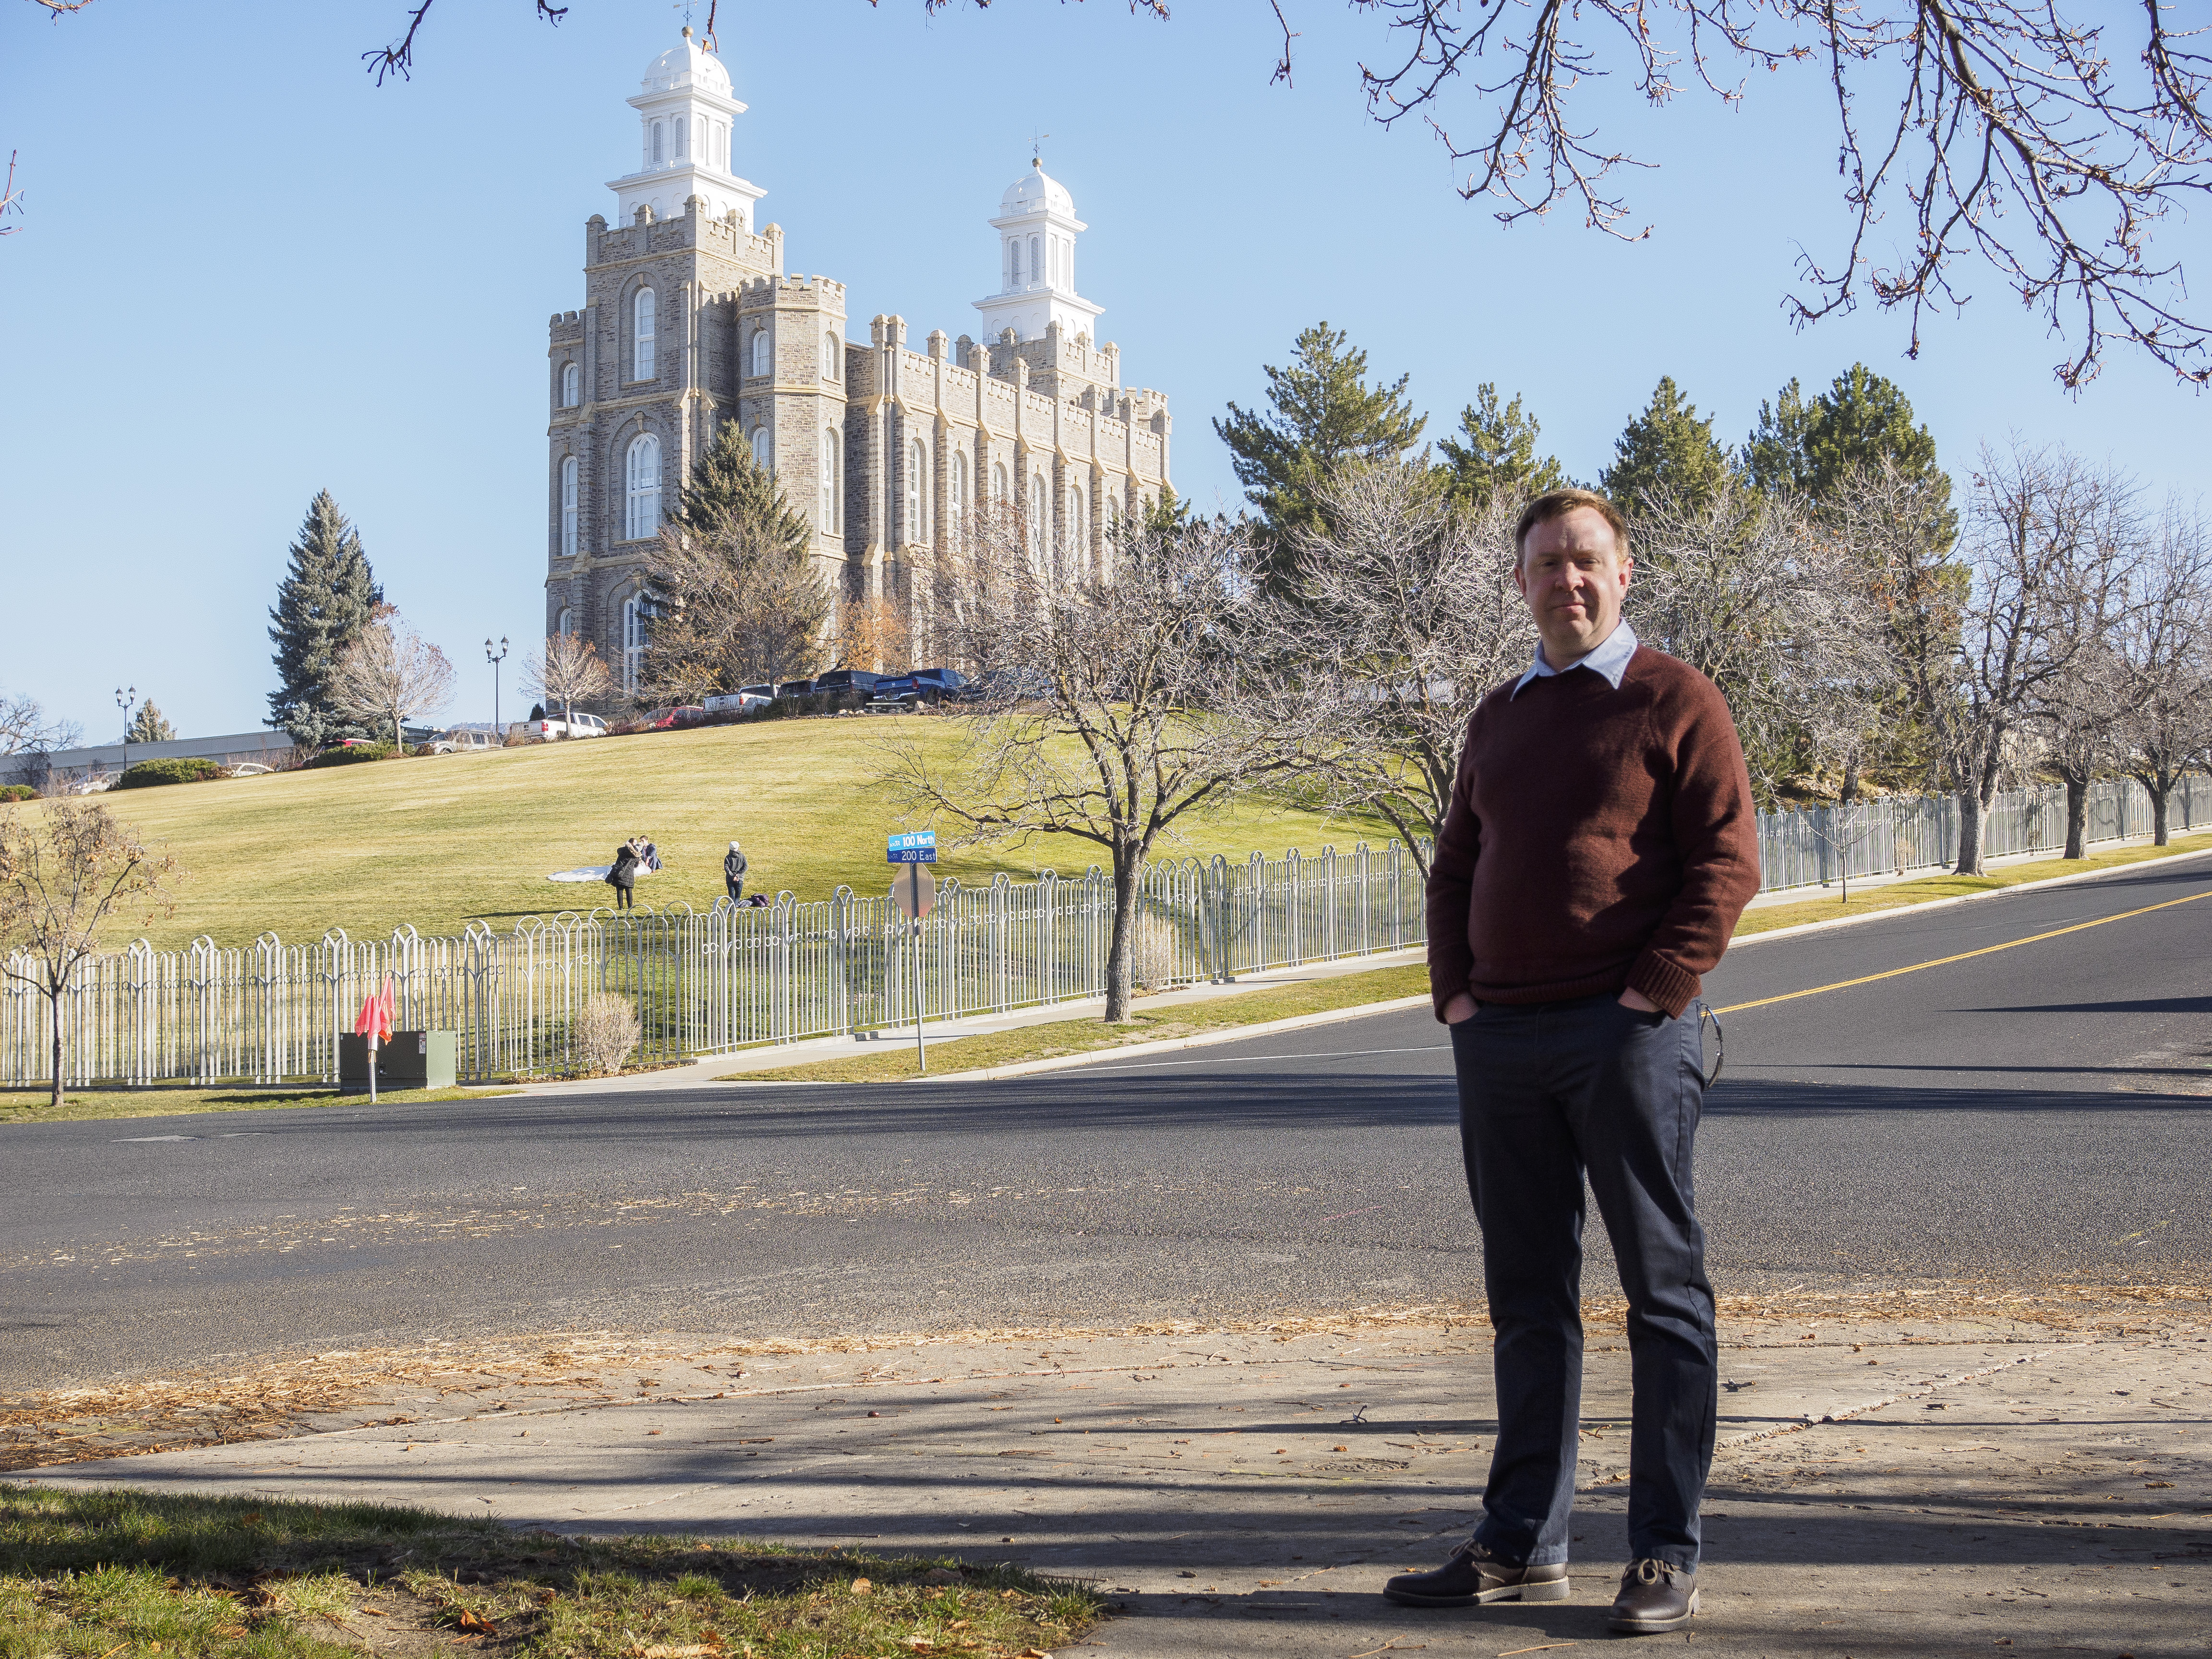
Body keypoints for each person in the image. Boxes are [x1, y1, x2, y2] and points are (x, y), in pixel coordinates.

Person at [1385, 488, 1761, 1636]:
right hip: (1500, 1039)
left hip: (1627, 1037)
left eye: (1585, 560)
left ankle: (1661, 1551)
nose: (1567, 580)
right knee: (1526, 1300)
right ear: (1522, 584)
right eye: (1546, 564)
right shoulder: (1498, 714)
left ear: (1624, 572)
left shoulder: (1675, 698)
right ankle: (1518, 1542)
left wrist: (1651, 993)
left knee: (1663, 1295)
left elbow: (1727, 862)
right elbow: (1455, 867)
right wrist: (1456, 996)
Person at [607, 842, 638, 910]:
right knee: (629, 891)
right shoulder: (634, 856)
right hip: (629, 876)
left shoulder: (622, 853)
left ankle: (620, 907)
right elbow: (636, 866)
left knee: (620, 891)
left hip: (619, 874)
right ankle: (630, 906)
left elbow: (618, 863)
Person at [723, 840, 748, 905]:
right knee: (737, 897)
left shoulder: (728, 858)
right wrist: (738, 876)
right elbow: (746, 867)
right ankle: (734, 911)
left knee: (732, 897)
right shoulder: (742, 856)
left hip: (730, 879)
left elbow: (727, 869)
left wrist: (733, 876)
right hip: (740, 879)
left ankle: (731, 910)